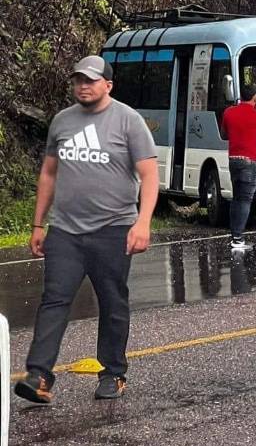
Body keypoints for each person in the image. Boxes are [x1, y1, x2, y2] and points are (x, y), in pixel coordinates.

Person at [14, 55, 159, 405]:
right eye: (79, 80)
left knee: (112, 301)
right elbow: (49, 173)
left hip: (113, 228)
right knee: (54, 299)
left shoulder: (128, 121)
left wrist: (142, 222)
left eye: (91, 80)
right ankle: (39, 375)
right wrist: (38, 223)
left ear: (108, 85)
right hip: (65, 231)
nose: (83, 86)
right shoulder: (62, 121)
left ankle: (112, 373)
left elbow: (149, 174)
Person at [221, 83, 256, 251]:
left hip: (233, 160)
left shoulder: (228, 112)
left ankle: (234, 236)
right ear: (255, 97)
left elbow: (224, 135)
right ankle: (238, 240)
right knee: (245, 200)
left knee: (236, 198)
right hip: (249, 162)